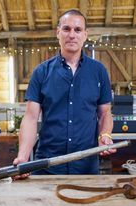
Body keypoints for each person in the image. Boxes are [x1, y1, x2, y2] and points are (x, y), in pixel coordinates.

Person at [12, 9, 116, 179]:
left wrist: (104, 135)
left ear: (85, 34)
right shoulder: (41, 72)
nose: (72, 35)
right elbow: (31, 118)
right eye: (66, 29)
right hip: (47, 164)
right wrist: (23, 156)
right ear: (58, 32)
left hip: (86, 166)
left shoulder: (99, 71)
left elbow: (104, 113)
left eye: (78, 30)